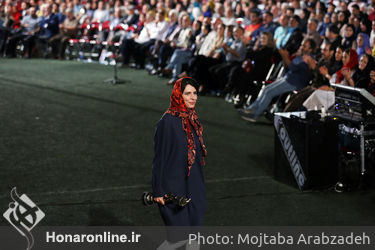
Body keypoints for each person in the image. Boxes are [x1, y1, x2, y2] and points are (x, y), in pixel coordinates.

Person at [152, 77, 207, 227]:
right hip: (174, 185)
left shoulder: (192, 118)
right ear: (179, 95)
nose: (193, 97)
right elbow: (159, 158)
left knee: (195, 235)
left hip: (194, 182)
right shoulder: (167, 122)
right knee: (178, 238)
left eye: (195, 93)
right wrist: (158, 190)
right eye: (188, 93)